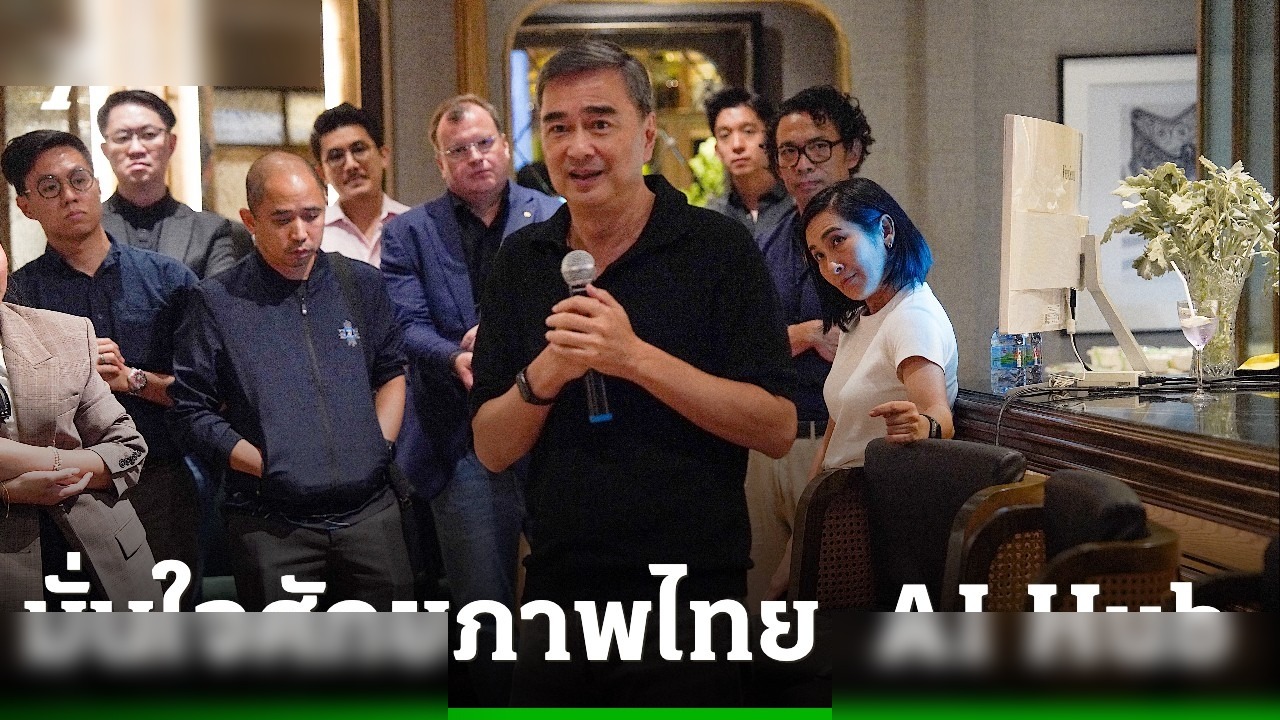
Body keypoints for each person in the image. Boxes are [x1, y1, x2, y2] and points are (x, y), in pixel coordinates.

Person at [469, 39, 797, 706]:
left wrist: (633, 358)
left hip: (692, 591)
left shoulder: (717, 249)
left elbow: (775, 426)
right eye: (557, 127)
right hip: (560, 586)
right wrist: (548, 371)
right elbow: (491, 448)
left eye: (599, 123)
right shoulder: (521, 261)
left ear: (646, 134)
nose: (578, 147)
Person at [168, 151, 412, 610]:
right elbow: (191, 410)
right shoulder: (216, 301)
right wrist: (268, 464)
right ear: (250, 220)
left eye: (312, 215)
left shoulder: (360, 283)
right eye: (282, 219)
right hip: (271, 523)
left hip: (369, 514)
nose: (300, 233)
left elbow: (391, 372)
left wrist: (377, 446)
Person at [381, 93, 559, 705]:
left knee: (569, 601)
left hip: (554, 433)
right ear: (440, 162)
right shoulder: (409, 232)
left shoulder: (554, 216)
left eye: (485, 143)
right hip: (459, 441)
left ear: (505, 146)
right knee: (484, 611)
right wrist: (455, 356)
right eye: (459, 150)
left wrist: (512, 342)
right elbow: (403, 324)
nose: (476, 157)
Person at [2, 129, 201, 607]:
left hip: (160, 478)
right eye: (49, 187)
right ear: (26, 206)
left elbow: (209, 394)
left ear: (97, 184)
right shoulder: (20, 297)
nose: (70, 196)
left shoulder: (168, 280)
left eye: (79, 180)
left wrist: (132, 379)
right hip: (54, 496)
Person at [770, 178, 959, 595]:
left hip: (875, 516)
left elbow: (940, 417)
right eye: (819, 256)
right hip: (834, 507)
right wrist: (803, 526)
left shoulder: (911, 315)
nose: (830, 266)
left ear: (885, 231)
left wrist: (921, 425)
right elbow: (836, 429)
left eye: (838, 241)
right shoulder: (861, 316)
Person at [744, 85, 876, 609]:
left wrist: (787, 339)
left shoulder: (874, 234)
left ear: (852, 151)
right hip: (766, 439)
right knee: (758, 610)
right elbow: (740, 345)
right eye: (789, 152)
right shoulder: (770, 237)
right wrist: (803, 335)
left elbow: (869, 337)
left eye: (819, 147)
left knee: (830, 609)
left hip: (837, 443)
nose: (803, 164)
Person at [0, 243, 158, 612]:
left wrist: (26, 461)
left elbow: (128, 450)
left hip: (102, 557)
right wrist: (9, 493)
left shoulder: (67, 333)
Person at [97, 89, 251, 279]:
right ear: (105, 150)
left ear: (171, 143)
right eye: (122, 137)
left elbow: (218, 296)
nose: (136, 149)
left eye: (148, 134)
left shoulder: (210, 231)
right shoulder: (86, 228)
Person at [310, 102, 409, 267]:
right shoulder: (314, 235)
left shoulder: (413, 225)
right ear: (321, 173)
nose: (351, 165)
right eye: (336, 156)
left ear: (383, 156)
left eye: (359, 149)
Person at [703, 88, 790, 239]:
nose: (737, 145)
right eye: (725, 135)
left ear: (771, 139)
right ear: (717, 150)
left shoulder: (796, 206)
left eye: (748, 131)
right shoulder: (712, 217)